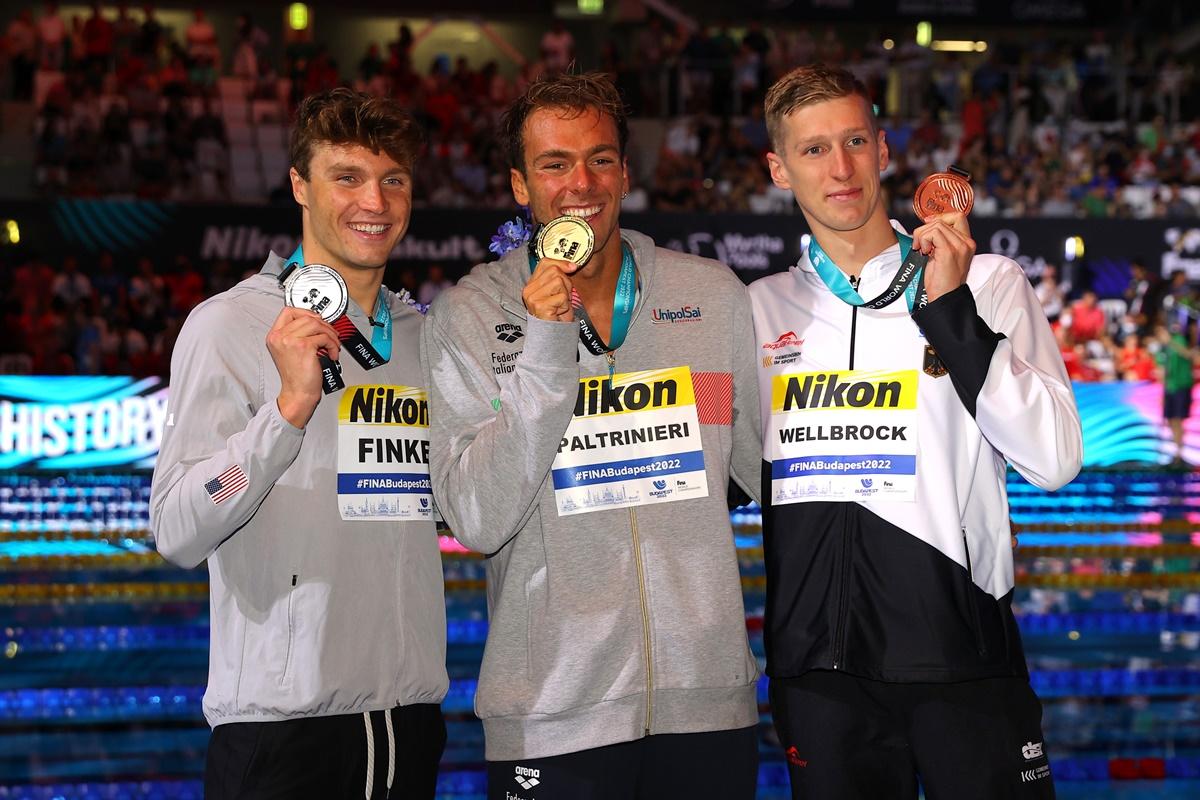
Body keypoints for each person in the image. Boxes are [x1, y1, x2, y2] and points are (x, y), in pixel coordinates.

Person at [422, 72, 763, 800]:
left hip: (706, 707)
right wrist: (544, 349)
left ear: (625, 171)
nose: (582, 182)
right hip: (551, 712)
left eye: (601, 158)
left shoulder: (711, 298)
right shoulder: (471, 317)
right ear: (521, 185)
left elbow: (772, 476)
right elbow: (478, 520)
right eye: (555, 164)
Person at [750, 64, 1082, 800]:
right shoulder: (757, 311)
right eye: (812, 150)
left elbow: (1055, 459)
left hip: (960, 655)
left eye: (856, 141)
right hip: (819, 676)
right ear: (777, 168)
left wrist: (952, 310)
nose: (840, 168)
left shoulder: (989, 283)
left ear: (885, 149)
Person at [150, 88, 447, 800]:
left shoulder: (424, 341)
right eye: (347, 176)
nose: (373, 200)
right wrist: (285, 413)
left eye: (393, 179)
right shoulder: (226, 327)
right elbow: (177, 527)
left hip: (408, 727)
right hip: (281, 733)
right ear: (299, 186)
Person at [1157, 317, 1199, 465]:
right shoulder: (1164, 347)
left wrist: (1170, 342)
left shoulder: (1180, 340)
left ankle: (1180, 454)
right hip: (1170, 387)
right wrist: (1162, 392)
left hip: (1182, 385)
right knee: (1171, 420)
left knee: (1179, 419)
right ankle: (1176, 452)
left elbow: (1189, 355)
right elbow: (1163, 370)